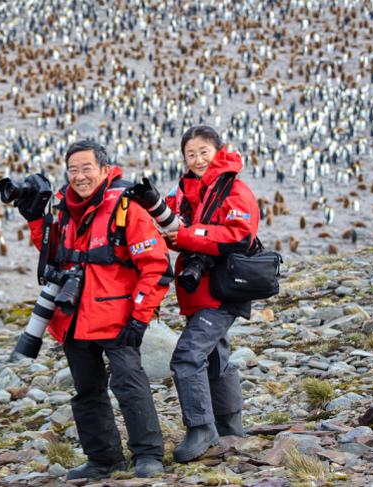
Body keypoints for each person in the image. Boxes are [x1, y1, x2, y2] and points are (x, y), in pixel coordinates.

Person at [19, 140, 173, 480]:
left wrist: (140, 316)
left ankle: (148, 455)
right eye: (73, 170)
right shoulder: (63, 209)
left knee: (130, 386)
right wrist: (34, 220)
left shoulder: (125, 207)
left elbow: (156, 267)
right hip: (73, 318)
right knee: (87, 392)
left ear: (105, 170)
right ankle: (103, 459)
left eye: (86, 168)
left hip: (117, 318)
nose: (79, 176)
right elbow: (52, 254)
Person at [163, 126, 260, 463]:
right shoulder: (186, 191)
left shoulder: (234, 188)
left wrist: (187, 236)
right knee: (216, 357)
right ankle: (230, 426)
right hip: (198, 292)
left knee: (187, 357)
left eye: (204, 151)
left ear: (219, 150)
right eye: (191, 154)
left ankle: (201, 429)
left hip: (223, 290)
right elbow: (166, 226)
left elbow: (238, 234)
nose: (198, 159)